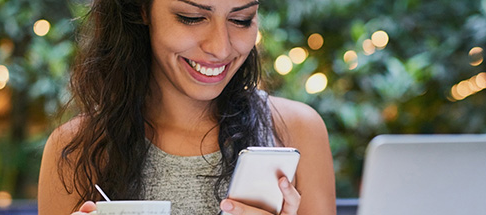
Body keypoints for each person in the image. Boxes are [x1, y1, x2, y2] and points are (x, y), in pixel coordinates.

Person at [38, 0, 335, 214]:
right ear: (142, 9)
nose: (220, 47)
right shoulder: (76, 149)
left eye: (241, 19)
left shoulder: (297, 130)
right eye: (192, 17)